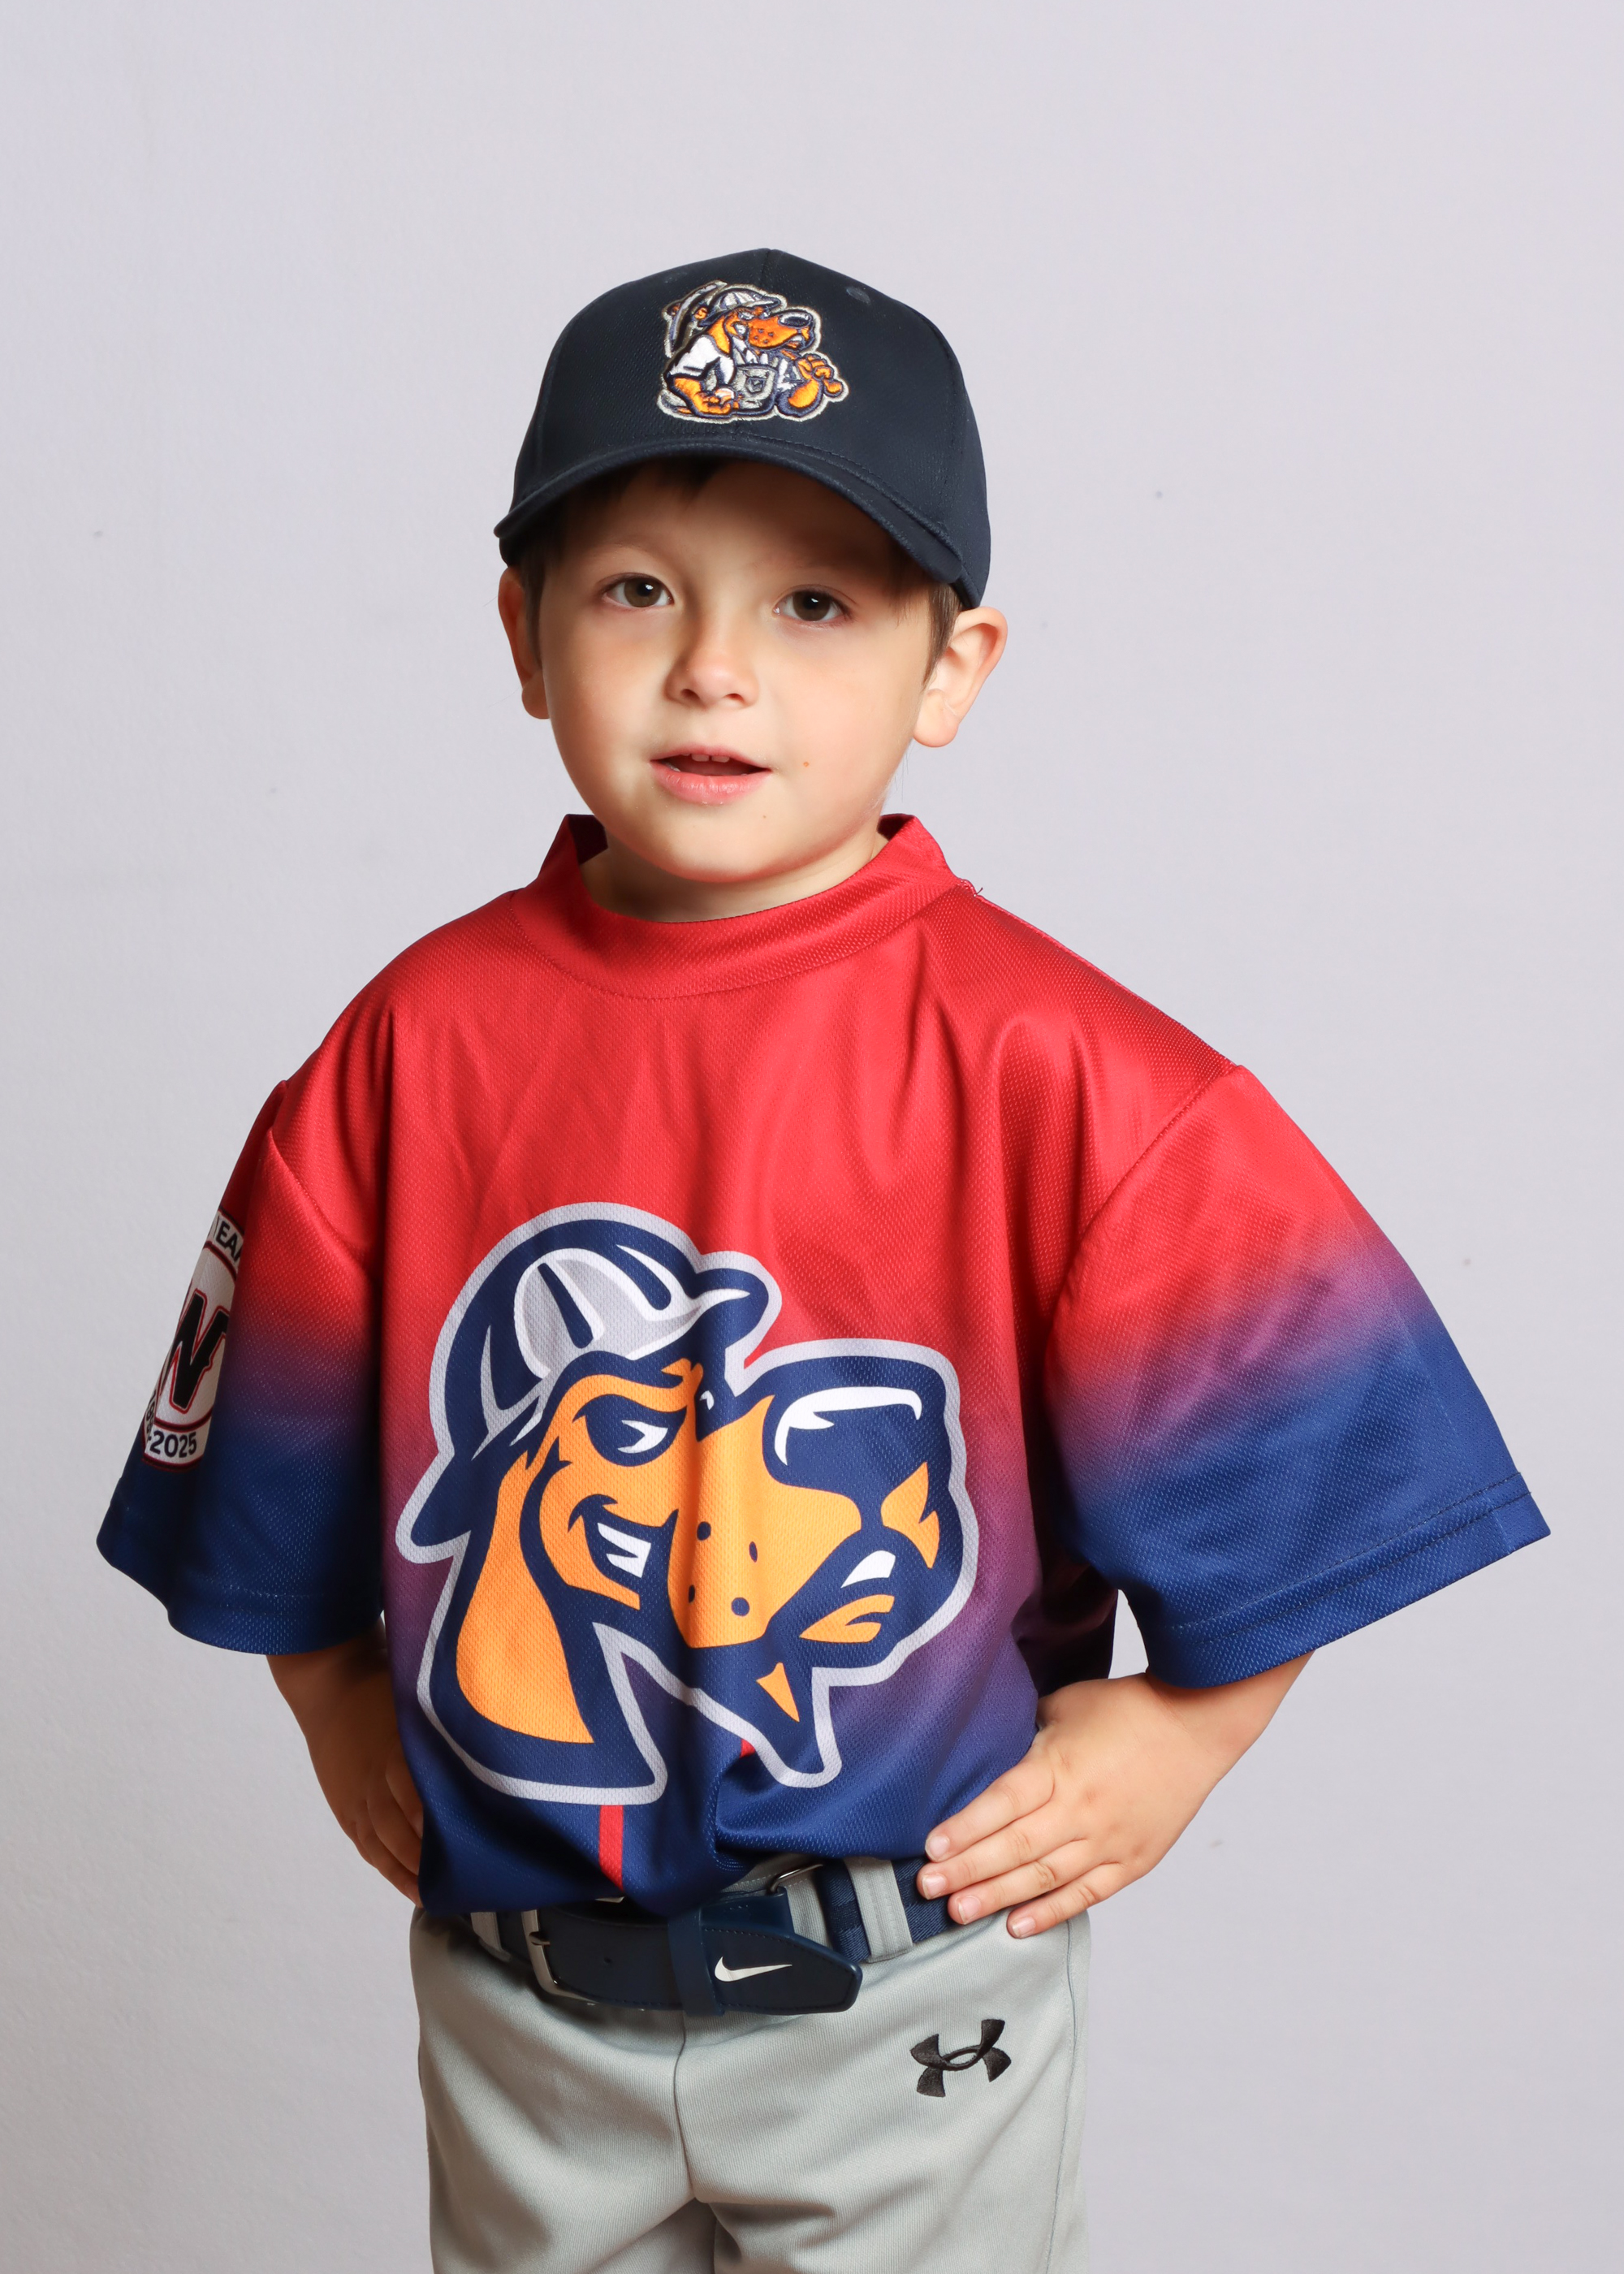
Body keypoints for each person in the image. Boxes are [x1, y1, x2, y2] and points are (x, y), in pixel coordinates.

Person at [98, 248, 1547, 2272]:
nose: (715, 669)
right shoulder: (406, 1049)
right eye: (636, 590)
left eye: (815, 603)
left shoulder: (1062, 1065)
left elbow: (1311, 1462)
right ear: (521, 634)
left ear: (951, 668)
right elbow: (274, 1464)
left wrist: (1190, 1726)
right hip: (523, 1998)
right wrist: (333, 1687)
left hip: (905, 1988)